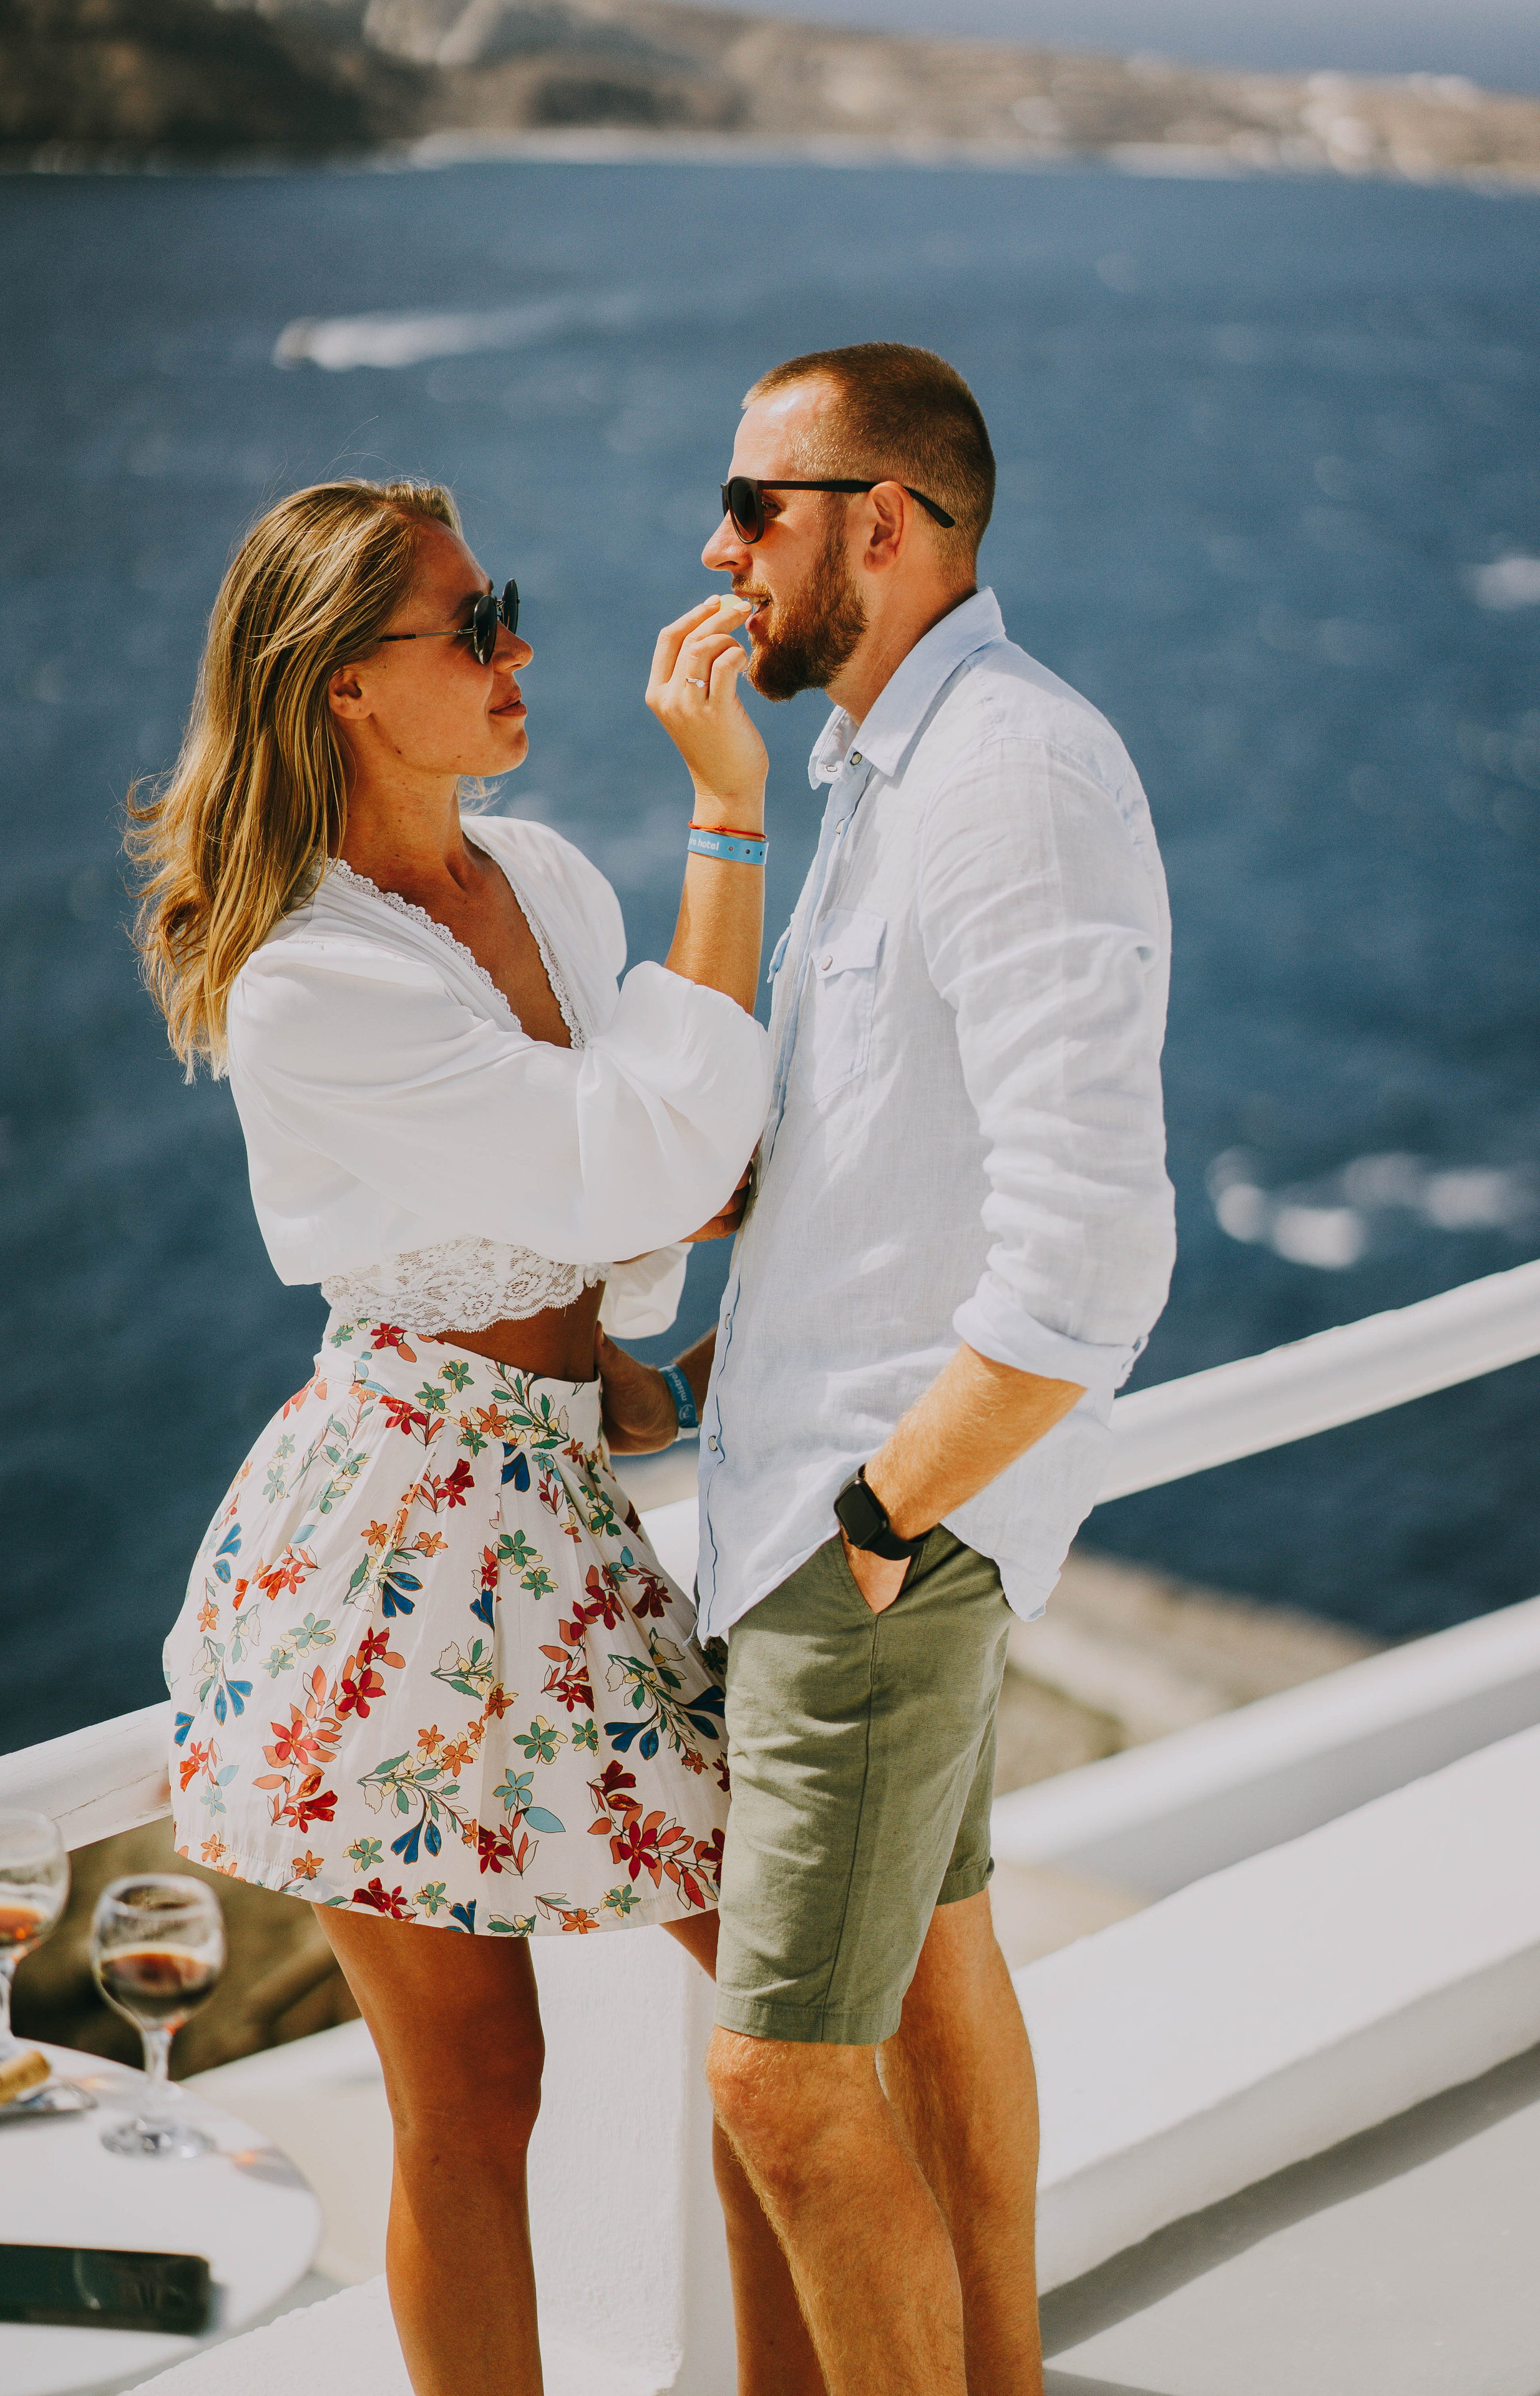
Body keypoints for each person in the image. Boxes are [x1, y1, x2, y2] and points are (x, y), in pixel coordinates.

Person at [131, 477, 817, 2395]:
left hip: (560, 1496)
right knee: (472, 2094)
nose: (521, 649)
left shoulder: (555, 884)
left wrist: (625, 1335)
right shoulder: (308, 978)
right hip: (397, 1533)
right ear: (347, 686)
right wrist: (733, 814)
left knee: (784, 2013)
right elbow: (649, 1161)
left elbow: (670, 1185)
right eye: (473, 623)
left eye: (502, 606)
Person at [598, 344, 1176, 2396]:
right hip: (833, 1503)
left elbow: (1098, 1243)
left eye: (756, 504)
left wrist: (881, 1511)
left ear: (888, 523)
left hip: (875, 1530)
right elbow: (862, 1154)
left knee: (774, 2072)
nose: (716, 544)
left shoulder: (1006, 768)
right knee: (932, 1997)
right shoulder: (887, 765)